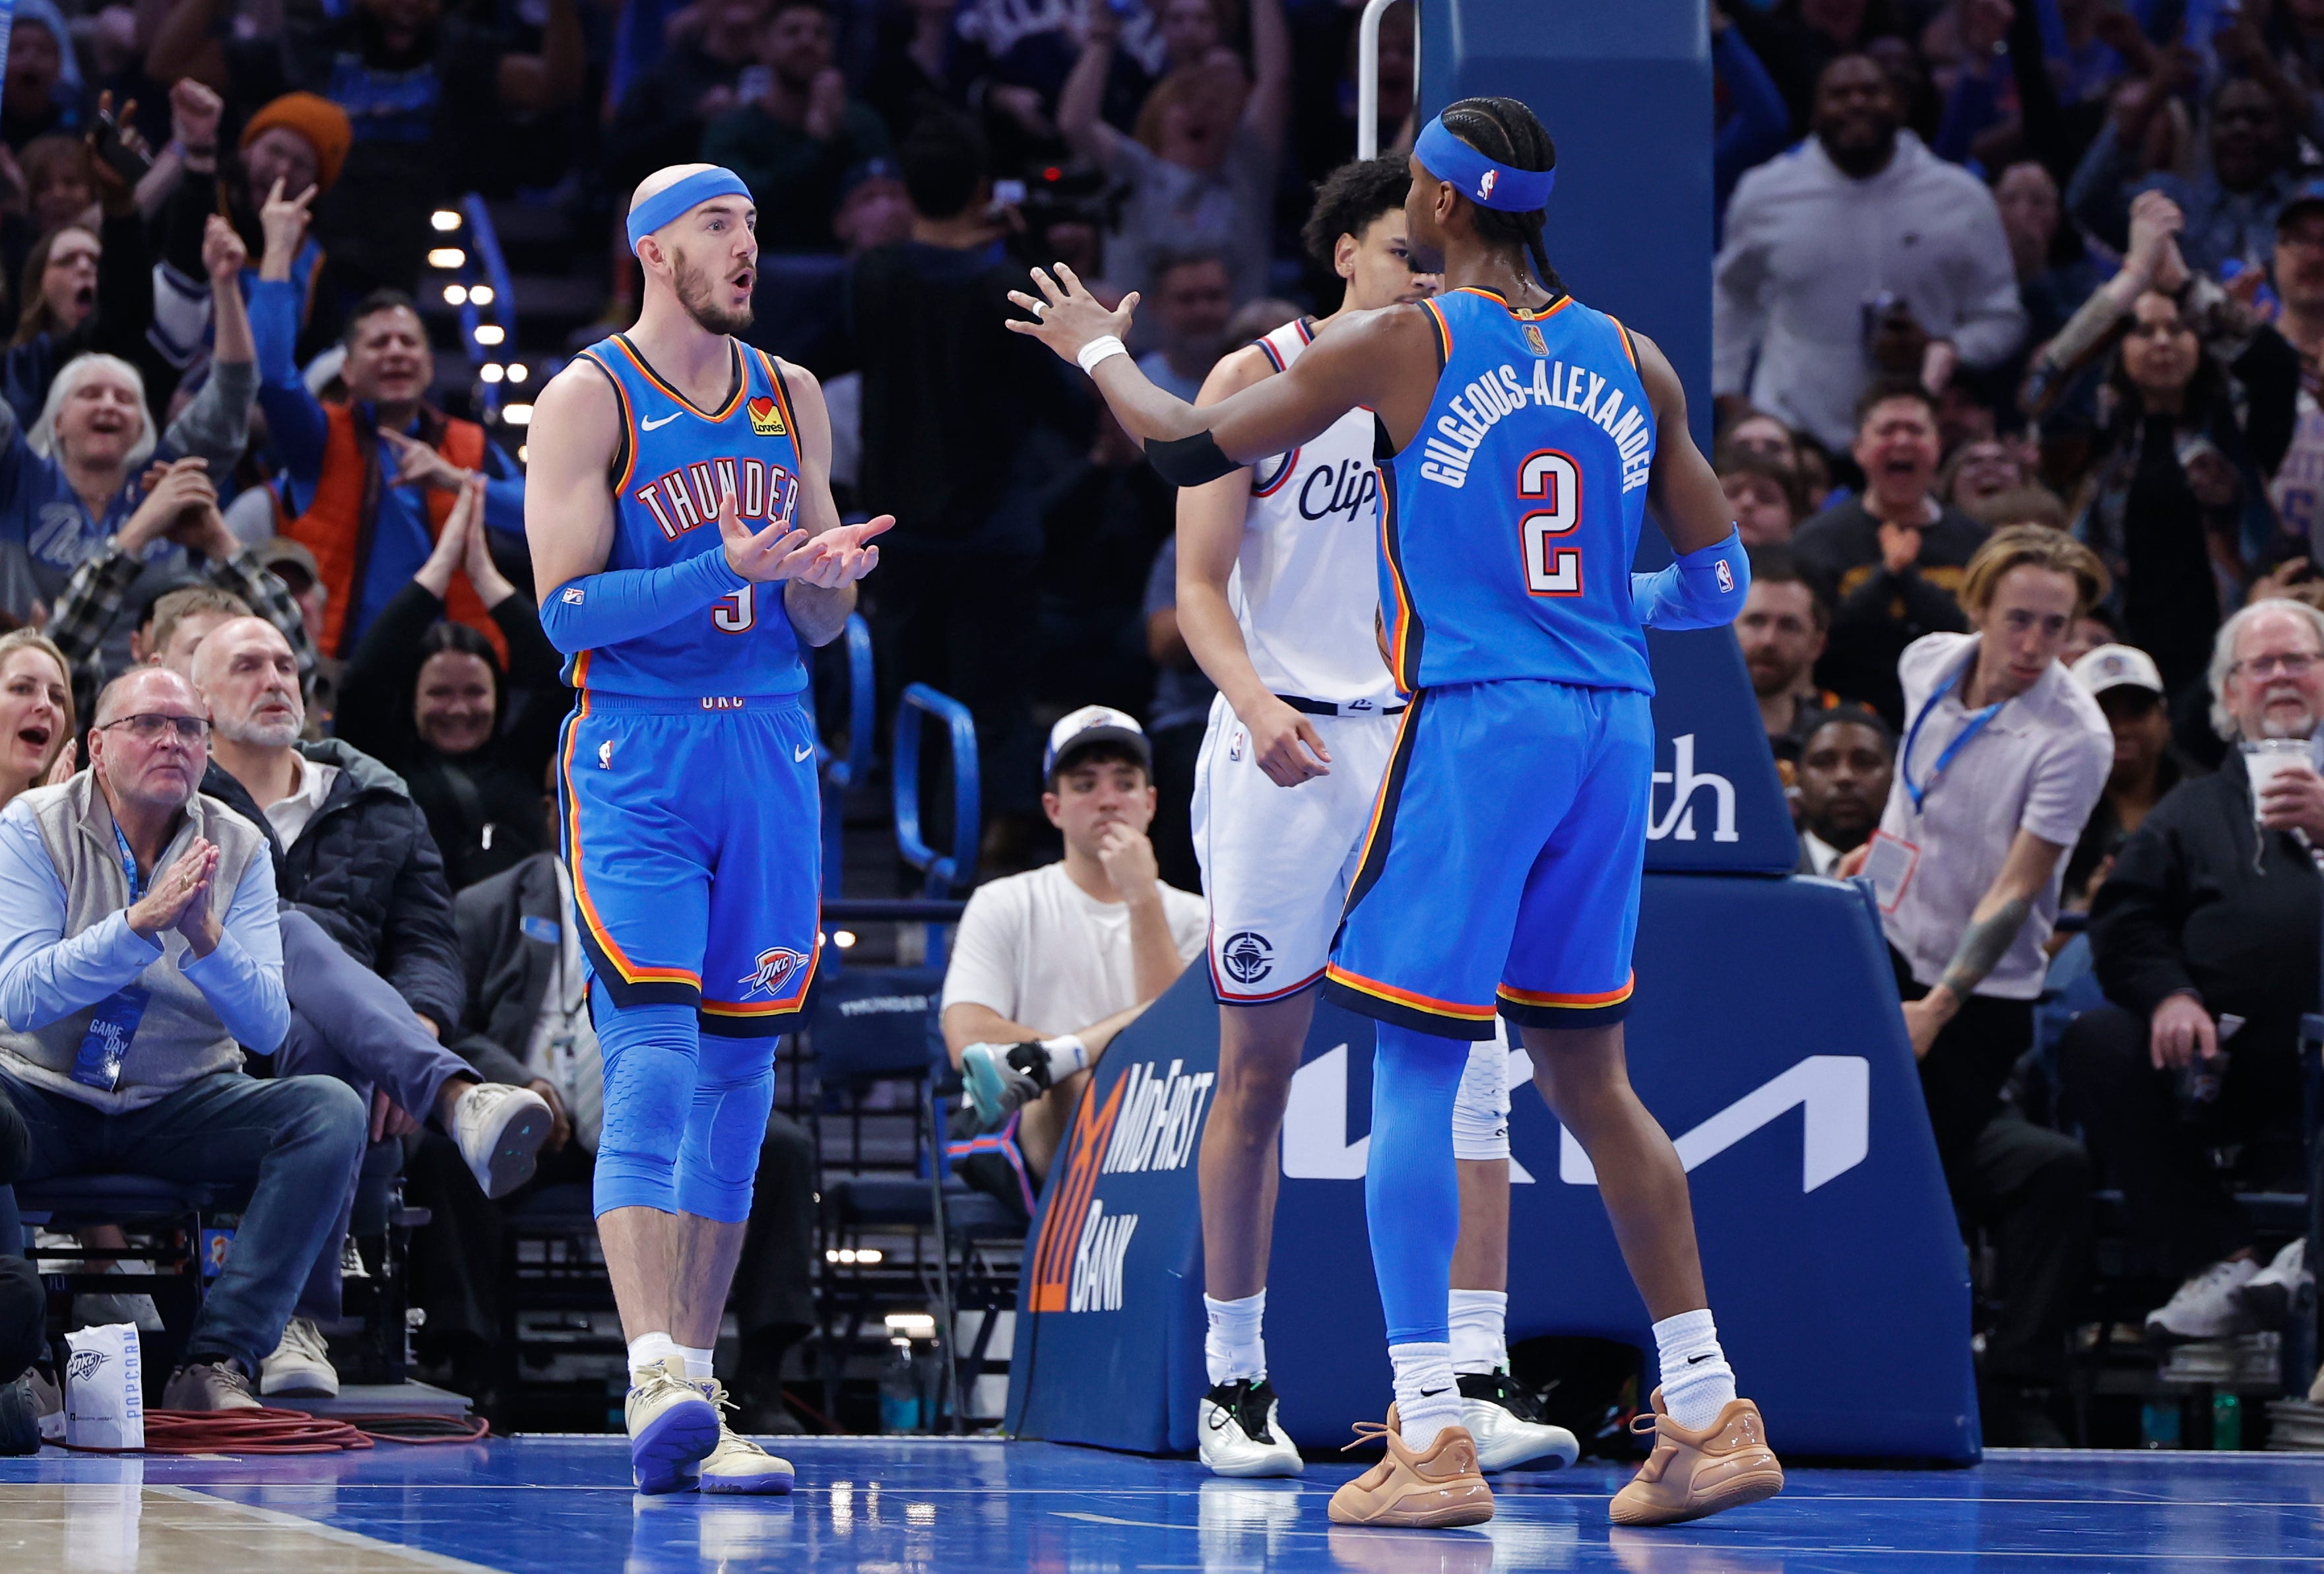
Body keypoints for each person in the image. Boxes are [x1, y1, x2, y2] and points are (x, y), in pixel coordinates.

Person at [1006, 94, 1781, 1530]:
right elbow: (1724, 586)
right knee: (1591, 1081)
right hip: (1613, 726)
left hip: (1477, 724)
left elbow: (1185, 448)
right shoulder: (1637, 356)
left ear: (1436, 202)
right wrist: (1608, 609)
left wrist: (1098, 348)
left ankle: (1428, 1431)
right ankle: (1708, 1403)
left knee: (1419, 1073)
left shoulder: (1402, 340)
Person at [1172, 154, 1571, 1480]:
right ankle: (1232, 1382)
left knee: (1470, 1068)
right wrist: (1254, 702)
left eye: (1437, 255)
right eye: (1407, 252)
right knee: (1259, 1074)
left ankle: (1472, 1376)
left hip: (1424, 744)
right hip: (1283, 739)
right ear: (1344, 253)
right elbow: (1199, 587)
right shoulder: (1255, 379)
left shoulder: (1466, 375)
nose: (1429, 271)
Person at [523, 162, 889, 1495]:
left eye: (751, 228)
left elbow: (810, 620)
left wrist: (823, 583)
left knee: (742, 1084)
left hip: (774, 742)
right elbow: (561, 611)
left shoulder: (789, 395)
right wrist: (711, 567)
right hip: (636, 747)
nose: (746, 249)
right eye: (718, 229)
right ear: (652, 250)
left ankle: (703, 1382)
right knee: (658, 1060)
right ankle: (655, 1370)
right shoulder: (588, 398)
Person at [0, 665, 362, 1409]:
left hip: (181, 1103)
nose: (172, 740)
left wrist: (204, 937)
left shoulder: (240, 846)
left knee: (329, 1112)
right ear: (97, 746)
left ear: (207, 750)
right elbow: (20, 996)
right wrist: (135, 928)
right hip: (43, 1097)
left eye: (190, 728)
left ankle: (218, 1360)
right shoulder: (31, 825)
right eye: (148, 724)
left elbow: (266, 1027)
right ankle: (19, 1366)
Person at [1838, 526, 2112, 1443]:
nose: (2035, 645)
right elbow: (1916, 798)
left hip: (1980, 991)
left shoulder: (2074, 737)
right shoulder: (1926, 662)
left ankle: (1923, 1373)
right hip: (1883, 937)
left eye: (2056, 626)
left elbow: (2018, 885)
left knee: (1917, 1175)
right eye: (2019, 621)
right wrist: (1871, 859)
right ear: (1979, 611)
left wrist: (1937, 1007)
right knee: (1847, 1152)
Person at [2061, 601, 2324, 1342]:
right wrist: (2170, 995)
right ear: (2228, 696)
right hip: (2231, 1066)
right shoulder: (2191, 810)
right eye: (2259, 665)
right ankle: (2224, 1256)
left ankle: (2310, 1261)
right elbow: (2125, 919)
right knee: (2098, 1041)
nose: (2280, 677)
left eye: (2297, 660)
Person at [251, 183, 527, 661]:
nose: (396, 351)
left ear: (429, 363)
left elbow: (538, 517)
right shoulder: (317, 438)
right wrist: (277, 251)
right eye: (378, 344)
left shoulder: (469, 445)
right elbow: (273, 375)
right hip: (342, 668)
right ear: (349, 372)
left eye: (407, 341)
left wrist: (457, 481)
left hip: (452, 671)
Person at [944, 708, 1205, 1189]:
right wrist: (1084, 1065)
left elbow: (1178, 1051)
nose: (1108, 800)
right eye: (1085, 785)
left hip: (1158, 1125)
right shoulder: (1004, 900)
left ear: (1150, 803)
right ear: (1054, 808)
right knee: (1062, 1080)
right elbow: (967, 1039)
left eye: (1124, 784)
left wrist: (1142, 897)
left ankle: (1065, 1059)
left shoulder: (1198, 916)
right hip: (1029, 1126)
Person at [1714, 53, 2023, 453]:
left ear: (1898, 105)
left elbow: (2002, 317)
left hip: (1918, 436)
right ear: (1815, 113)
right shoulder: (1765, 194)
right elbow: (1730, 295)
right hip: (1797, 435)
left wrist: (1942, 350)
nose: (1856, 103)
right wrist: (1728, 394)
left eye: (1871, 92)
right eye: (1839, 94)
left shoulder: (1961, 198)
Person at [0, 218, 257, 655]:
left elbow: (232, 393)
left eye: (124, 399)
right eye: (89, 394)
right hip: (32, 688)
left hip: (151, 700)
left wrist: (226, 285)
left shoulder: (163, 480)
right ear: (56, 420)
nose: (108, 405)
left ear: (142, 426)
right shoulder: (16, 474)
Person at [336, 476, 565, 890]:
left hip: (523, 948)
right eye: (439, 693)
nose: (459, 709)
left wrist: (483, 575)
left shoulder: (523, 758)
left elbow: (561, 677)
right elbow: (363, 682)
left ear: (499, 694)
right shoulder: (382, 761)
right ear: (412, 698)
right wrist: (440, 569)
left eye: (475, 692)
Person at [1058, 0, 1288, 306]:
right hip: (1139, 351)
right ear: (1157, 115)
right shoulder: (1136, 170)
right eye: (1185, 102)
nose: (1199, 112)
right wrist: (1102, 38)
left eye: (1212, 103)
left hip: (1238, 347)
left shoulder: (1248, 170)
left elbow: (1275, 78)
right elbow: (1076, 123)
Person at [1791, 382, 1985, 727]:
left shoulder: (1977, 544)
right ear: (1859, 449)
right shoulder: (1816, 541)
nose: (1902, 441)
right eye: (1887, 430)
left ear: (1937, 447)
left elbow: (1979, 641)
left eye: (1915, 430)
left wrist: (1904, 577)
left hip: (1953, 718)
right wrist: (1889, 575)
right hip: (1841, 722)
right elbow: (1817, 644)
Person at [701, 0, 894, 254]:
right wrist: (818, 145)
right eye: (792, 32)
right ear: (762, 44)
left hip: (850, 267)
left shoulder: (860, 122)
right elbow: (746, 208)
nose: (807, 41)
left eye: (820, 34)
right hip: (756, 267)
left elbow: (882, 193)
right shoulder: (732, 129)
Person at [2063, 643, 2202, 905]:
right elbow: (2023, 940)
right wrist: (2091, 907)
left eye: (2137, 711)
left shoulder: (2207, 805)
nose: (2122, 728)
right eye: (2104, 713)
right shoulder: (2049, 809)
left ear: (2164, 720)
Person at [1738, 546, 1830, 764]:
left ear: (1817, 645)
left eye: (1788, 626)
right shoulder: (1690, 731)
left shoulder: (1832, 744)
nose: (1769, 640)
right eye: (1756, 621)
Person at [1793, 704, 1893, 876]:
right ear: (1798, 778)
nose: (1844, 777)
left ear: (1895, 775)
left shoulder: (1926, 875)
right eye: (1823, 762)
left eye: (1865, 762)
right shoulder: (1769, 874)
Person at [1135, 250, 1235, 404]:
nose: (1203, 311)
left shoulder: (1259, 379)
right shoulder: (1134, 387)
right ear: (1156, 306)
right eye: (1186, 299)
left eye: (1214, 296)